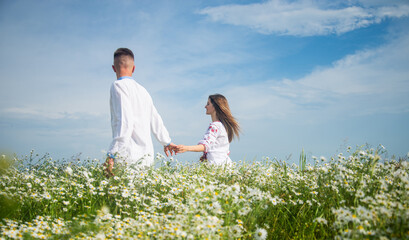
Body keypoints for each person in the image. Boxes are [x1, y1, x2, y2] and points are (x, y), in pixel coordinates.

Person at [105, 48, 176, 176]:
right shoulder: (143, 91)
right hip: (146, 156)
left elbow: (124, 122)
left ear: (113, 68)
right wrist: (166, 141)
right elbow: (155, 119)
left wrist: (112, 154)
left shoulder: (118, 86)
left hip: (128, 155)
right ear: (133, 68)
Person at [175, 94, 240, 165]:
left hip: (215, 166)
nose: (205, 106)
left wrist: (186, 148)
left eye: (208, 104)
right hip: (225, 166)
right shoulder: (223, 126)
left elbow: (205, 146)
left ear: (215, 106)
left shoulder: (215, 126)